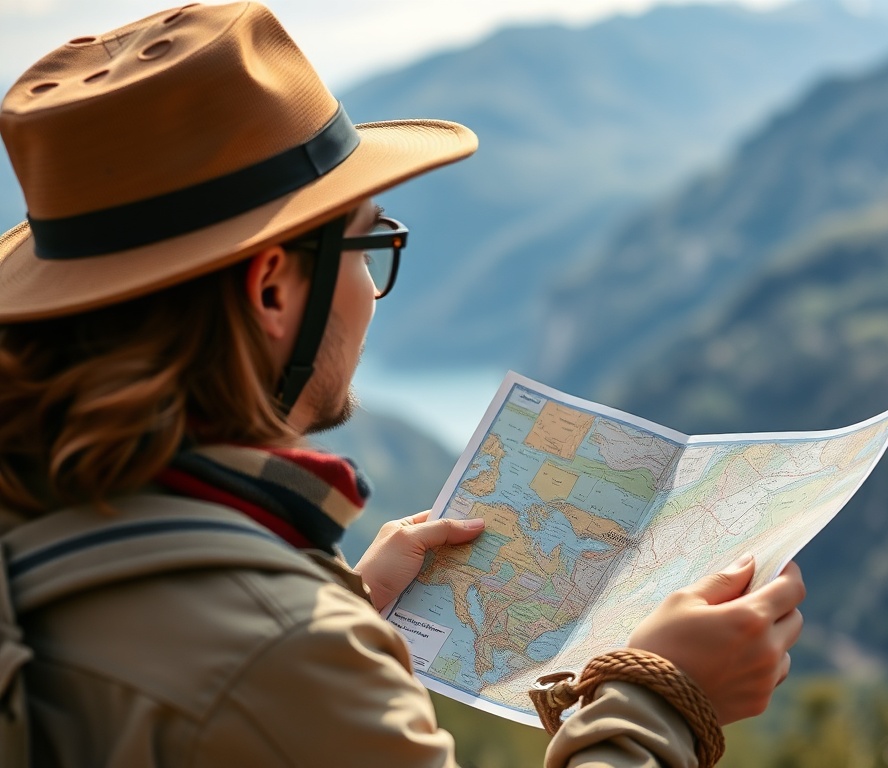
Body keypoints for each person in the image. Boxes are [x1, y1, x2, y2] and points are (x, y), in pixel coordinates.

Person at [0, 3, 805, 766]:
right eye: (368, 244)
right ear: (274, 290)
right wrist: (662, 700)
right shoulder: (279, 658)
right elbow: (238, 678)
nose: (373, 290)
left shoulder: (46, 513)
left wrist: (341, 603)